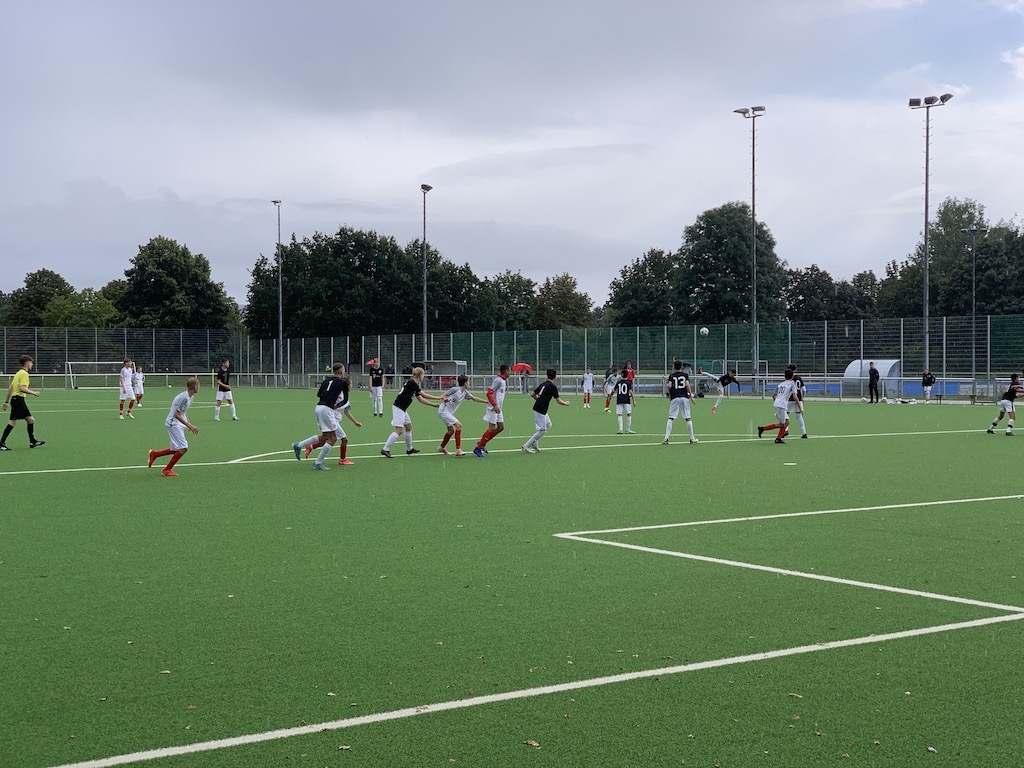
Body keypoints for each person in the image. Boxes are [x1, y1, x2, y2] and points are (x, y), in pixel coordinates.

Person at [292, 363, 349, 470]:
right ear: (342, 372)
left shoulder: (326, 381)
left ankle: (298, 445)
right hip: (327, 409)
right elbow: (345, 400)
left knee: (326, 436)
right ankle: (318, 462)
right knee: (333, 438)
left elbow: (319, 394)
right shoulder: (343, 382)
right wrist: (336, 405)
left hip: (319, 407)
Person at [303, 363, 363, 464]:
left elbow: (346, 411)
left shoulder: (344, 398)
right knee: (342, 439)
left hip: (331, 418)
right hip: (330, 418)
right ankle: (341, 460)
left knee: (329, 438)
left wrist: (355, 422)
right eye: (351, 384)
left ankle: (311, 446)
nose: (351, 386)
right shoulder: (339, 396)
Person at [380, 367, 441, 458]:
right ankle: (385, 449)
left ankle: (409, 449)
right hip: (398, 408)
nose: (424, 376)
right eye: (423, 374)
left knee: (408, 427)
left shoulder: (413, 384)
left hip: (403, 409)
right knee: (399, 430)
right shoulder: (412, 383)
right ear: (420, 375)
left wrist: (432, 404)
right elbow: (423, 395)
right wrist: (438, 397)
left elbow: (420, 399)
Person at [148, 377, 200, 476]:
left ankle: (154, 454)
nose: (199, 388)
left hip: (177, 423)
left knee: (176, 449)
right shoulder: (184, 398)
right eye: (198, 385)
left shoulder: (190, 397)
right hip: (173, 423)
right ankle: (167, 469)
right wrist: (190, 425)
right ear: (194, 386)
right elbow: (176, 414)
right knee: (184, 448)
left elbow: (183, 412)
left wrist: (188, 423)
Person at [1, 354, 45, 450]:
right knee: (12, 422)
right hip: (18, 400)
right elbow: (22, 388)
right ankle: (1, 444)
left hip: (16, 400)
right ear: (26, 363)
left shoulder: (18, 373)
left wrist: (6, 401)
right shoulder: (24, 374)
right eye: (31, 363)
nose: (32, 364)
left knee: (31, 420)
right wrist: (34, 393)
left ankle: (32, 441)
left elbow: (11, 388)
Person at [437, 374, 487, 456]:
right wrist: (445, 398)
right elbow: (443, 395)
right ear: (465, 383)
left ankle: (441, 448)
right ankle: (458, 450)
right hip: (443, 411)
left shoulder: (465, 393)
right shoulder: (455, 390)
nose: (469, 383)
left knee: (451, 431)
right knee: (459, 425)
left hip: (448, 412)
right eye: (468, 382)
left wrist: (487, 402)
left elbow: (474, 398)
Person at [522, 368, 570, 453]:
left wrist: (537, 398)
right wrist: (566, 403)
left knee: (549, 424)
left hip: (540, 408)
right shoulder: (553, 387)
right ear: (555, 376)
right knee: (542, 430)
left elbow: (532, 394)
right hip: (540, 409)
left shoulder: (543, 384)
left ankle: (534, 442)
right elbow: (558, 401)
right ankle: (526, 446)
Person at [473, 364, 510, 458]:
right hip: (493, 408)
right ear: (505, 371)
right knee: (492, 427)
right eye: (509, 371)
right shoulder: (498, 380)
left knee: (500, 427)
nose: (510, 373)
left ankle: (482, 443)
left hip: (498, 408)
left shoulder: (503, 380)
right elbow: (489, 392)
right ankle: (478, 448)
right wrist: (494, 405)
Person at [757, 368, 798, 444]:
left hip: (778, 404)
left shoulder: (781, 384)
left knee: (787, 422)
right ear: (792, 376)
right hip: (781, 405)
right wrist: (800, 407)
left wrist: (778, 402)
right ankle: (763, 429)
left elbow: (773, 396)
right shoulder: (792, 384)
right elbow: (795, 396)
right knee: (782, 424)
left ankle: (778, 438)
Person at [663, 360, 697, 445]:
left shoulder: (672, 376)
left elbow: (669, 385)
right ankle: (692, 438)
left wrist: (670, 395)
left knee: (671, 418)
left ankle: (666, 438)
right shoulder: (685, 375)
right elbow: (687, 385)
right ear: (682, 367)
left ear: (674, 367)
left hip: (675, 398)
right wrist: (691, 396)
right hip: (684, 397)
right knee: (688, 418)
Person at [787, 363, 808, 438]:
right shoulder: (799, 378)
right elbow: (804, 390)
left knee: (785, 414)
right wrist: (802, 397)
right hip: (799, 398)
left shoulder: (789, 378)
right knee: (799, 416)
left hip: (790, 399)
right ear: (796, 370)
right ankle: (804, 433)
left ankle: (785, 430)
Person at [615, 368, 636, 434]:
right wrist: (634, 400)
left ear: (621, 375)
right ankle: (628, 429)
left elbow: (613, 390)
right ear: (627, 375)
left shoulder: (618, 382)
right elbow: (631, 392)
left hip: (619, 400)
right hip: (627, 400)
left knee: (620, 414)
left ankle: (620, 429)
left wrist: (609, 396)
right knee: (629, 413)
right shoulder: (629, 383)